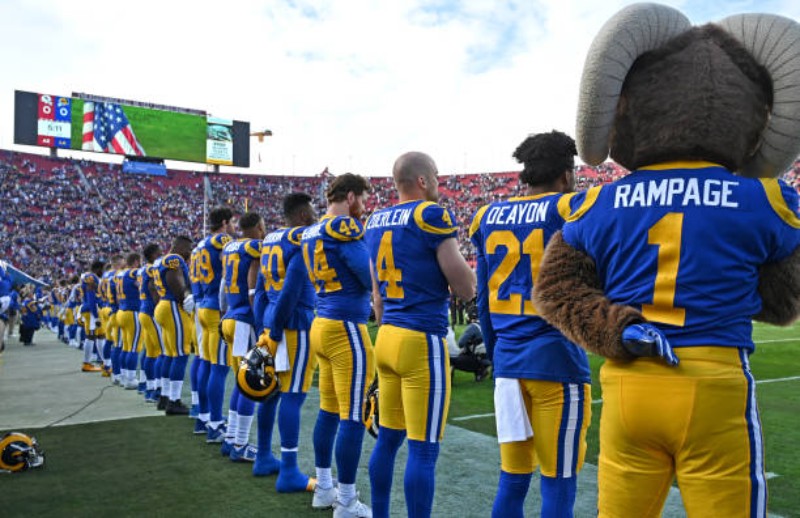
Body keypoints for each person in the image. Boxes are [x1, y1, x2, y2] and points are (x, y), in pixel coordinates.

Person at [470, 131, 591, 517]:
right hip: (555, 362)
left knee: (513, 479)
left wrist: (498, 356)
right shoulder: (569, 207)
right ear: (566, 175)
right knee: (558, 483)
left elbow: (483, 301)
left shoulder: (487, 216)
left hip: (508, 364)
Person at [365, 151, 476, 518]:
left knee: (388, 438)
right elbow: (464, 286)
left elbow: (377, 298)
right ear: (423, 181)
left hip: (387, 335)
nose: (440, 185)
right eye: (437, 178)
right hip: (420, 339)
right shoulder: (431, 215)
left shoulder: (375, 220)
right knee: (423, 448)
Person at [303, 173, 374, 517]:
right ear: (350, 197)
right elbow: (369, 275)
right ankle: (346, 501)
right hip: (346, 326)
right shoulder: (344, 227)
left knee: (329, 410)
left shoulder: (311, 231)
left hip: (322, 323)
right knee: (353, 416)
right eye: (362, 198)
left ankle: (324, 488)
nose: (364, 206)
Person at [256, 192, 318, 492]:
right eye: (313, 210)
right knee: (292, 395)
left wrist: (265, 328)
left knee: (270, 394)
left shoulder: (270, 239)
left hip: (271, 322)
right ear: (303, 214)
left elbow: (259, 291)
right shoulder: (300, 239)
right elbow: (291, 291)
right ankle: (290, 471)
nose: (316, 215)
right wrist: (278, 329)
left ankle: (263, 456)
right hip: (293, 325)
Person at [219, 211, 265, 461]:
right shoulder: (254, 246)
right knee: (250, 383)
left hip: (230, 317)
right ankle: (240, 444)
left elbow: (224, 286)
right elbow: (252, 289)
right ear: (257, 226)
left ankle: (231, 438)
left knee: (240, 381)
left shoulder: (229, 247)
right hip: (244, 321)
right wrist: (260, 325)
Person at [191, 207, 235, 436]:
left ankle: (204, 416)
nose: (234, 227)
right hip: (216, 308)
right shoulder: (221, 240)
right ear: (225, 222)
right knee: (218, 367)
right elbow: (228, 271)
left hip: (203, 306)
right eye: (232, 222)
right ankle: (215, 423)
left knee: (207, 363)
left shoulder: (200, 245)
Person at [153, 235, 195, 415]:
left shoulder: (160, 261)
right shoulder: (174, 259)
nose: (189, 253)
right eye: (189, 249)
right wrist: (184, 298)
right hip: (172, 306)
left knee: (169, 354)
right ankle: (174, 400)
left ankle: (165, 396)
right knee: (180, 354)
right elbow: (174, 279)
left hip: (164, 305)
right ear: (182, 247)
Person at [138, 243, 164, 403]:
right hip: (150, 311)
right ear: (154, 255)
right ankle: (156, 390)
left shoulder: (143, 269)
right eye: (159, 253)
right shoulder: (151, 268)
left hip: (143, 310)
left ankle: (148, 387)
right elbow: (153, 287)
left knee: (150, 352)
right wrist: (159, 306)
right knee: (161, 351)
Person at [115, 253, 143, 390]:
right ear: (136, 261)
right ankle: (130, 379)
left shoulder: (120, 274)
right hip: (132, 311)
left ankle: (124, 376)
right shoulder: (134, 273)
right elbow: (141, 286)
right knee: (133, 348)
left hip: (121, 311)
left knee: (126, 347)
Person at [448, 302, 491, 382]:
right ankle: (481, 371)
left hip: (477, 360)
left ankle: (449, 378)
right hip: (489, 358)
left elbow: (460, 343)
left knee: (450, 358)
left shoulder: (473, 327)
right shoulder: (487, 325)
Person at [79, 261, 105, 372]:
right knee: (90, 336)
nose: (103, 272)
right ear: (98, 268)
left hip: (92, 309)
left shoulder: (88, 276)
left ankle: (105, 362)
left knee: (100, 336)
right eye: (102, 269)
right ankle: (86, 363)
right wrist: (95, 314)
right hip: (91, 310)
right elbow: (91, 297)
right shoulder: (91, 277)